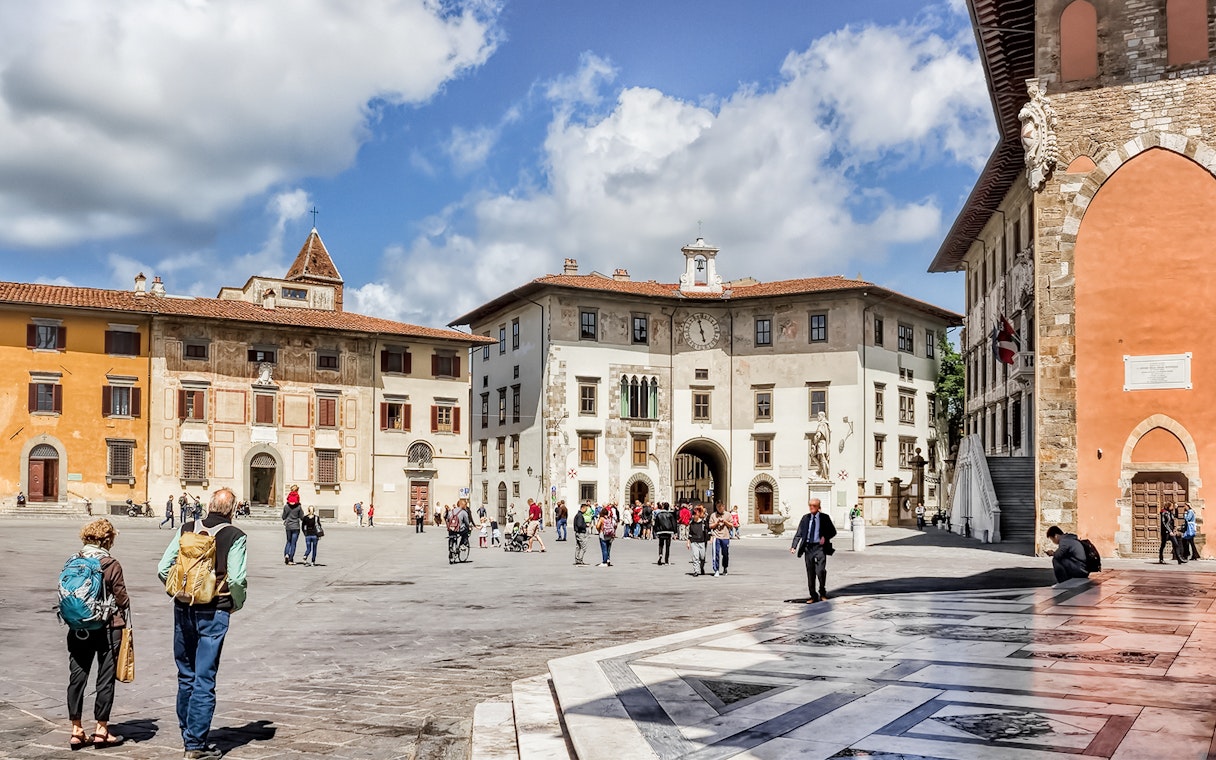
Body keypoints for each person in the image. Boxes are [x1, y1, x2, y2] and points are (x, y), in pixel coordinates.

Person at [158, 488, 247, 760]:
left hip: (183, 608)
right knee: (204, 678)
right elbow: (236, 579)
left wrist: (180, 592)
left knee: (186, 675)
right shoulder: (235, 536)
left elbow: (163, 568)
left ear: (209, 505)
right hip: (214, 610)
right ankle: (195, 746)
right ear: (232, 510)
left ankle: (188, 734)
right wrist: (236, 603)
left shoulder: (186, 528)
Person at [64, 518, 129, 749]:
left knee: (77, 676)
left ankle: (76, 729)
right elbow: (122, 599)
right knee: (105, 678)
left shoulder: (73, 560)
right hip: (108, 627)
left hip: (78, 627)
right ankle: (101, 729)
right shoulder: (110, 564)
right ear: (108, 540)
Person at [790, 499, 837, 603]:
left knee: (820, 571)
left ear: (819, 507)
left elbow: (833, 531)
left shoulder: (824, 518)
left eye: (814, 505)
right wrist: (794, 546)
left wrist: (825, 537)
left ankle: (822, 592)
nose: (811, 507)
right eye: (810, 505)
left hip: (820, 548)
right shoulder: (805, 518)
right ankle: (813, 595)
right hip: (808, 548)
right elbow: (799, 533)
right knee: (810, 573)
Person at [709, 503, 732, 577]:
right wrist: (717, 523)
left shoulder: (728, 514)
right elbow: (710, 526)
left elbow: (732, 525)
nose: (720, 509)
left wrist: (725, 522)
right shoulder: (713, 515)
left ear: (723, 507)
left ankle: (725, 567)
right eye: (718, 508)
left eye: (721, 508)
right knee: (716, 553)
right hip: (716, 536)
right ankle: (716, 570)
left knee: (725, 554)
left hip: (725, 536)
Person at [687, 504, 710, 576]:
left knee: (702, 557)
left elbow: (708, 530)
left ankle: (702, 567)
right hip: (694, 541)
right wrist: (688, 542)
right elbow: (690, 533)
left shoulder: (703, 522)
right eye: (693, 515)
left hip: (702, 541)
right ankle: (696, 571)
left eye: (695, 515)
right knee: (695, 556)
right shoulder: (691, 523)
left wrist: (710, 538)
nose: (693, 516)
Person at [282, 494, 303, 565]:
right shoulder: (299, 507)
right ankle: (291, 559)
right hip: (296, 526)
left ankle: (286, 554)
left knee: (288, 541)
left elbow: (283, 517)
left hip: (288, 526)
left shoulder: (286, 506)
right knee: (293, 543)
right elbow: (301, 517)